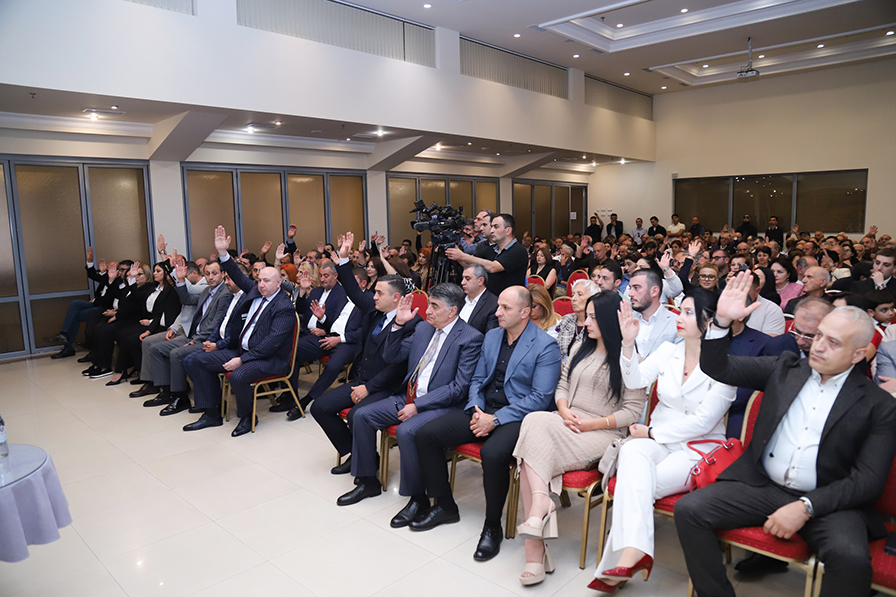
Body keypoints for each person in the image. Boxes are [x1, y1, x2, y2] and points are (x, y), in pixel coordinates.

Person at [675, 271, 896, 597]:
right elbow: (718, 367)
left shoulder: (879, 405)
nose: (818, 346)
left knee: (850, 559)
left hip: (830, 500)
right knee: (689, 510)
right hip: (764, 486)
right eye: (819, 336)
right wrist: (721, 322)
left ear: (858, 354)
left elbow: (868, 480)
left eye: (833, 343)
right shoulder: (785, 368)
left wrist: (806, 506)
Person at [588, 288, 736, 593]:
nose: (679, 317)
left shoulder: (726, 366)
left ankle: (626, 559)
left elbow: (703, 422)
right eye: (681, 310)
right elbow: (635, 380)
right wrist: (628, 344)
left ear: (710, 321)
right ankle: (633, 555)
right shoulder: (670, 351)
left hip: (696, 448)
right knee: (631, 453)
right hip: (657, 439)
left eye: (688, 312)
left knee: (634, 483)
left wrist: (653, 433)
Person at [411, 287, 562, 563]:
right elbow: (478, 379)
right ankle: (445, 506)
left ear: (525, 312)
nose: (497, 312)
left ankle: (492, 526)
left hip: (518, 417)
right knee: (426, 434)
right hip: (484, 410)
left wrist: (496, 420)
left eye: (505, 308)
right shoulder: (492, 336)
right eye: (499, 306)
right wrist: (477, 408)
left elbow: (540, 398)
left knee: (492, 454)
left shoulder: (545, 345)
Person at [513, 292, 645, 586]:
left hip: (602, 433)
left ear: (611, 320)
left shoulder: (630, 360)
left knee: (529, 457)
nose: (586, 322)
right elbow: (561, 385)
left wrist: (591, 423)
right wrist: (563, 410)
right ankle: (541, 507)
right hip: (568, 421)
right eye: (587, 316)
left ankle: (535, 550)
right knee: (533, 421)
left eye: (594, 317)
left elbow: (633, 411)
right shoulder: (580, 349)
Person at [337, 284, 483, 528]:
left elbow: (458, 388)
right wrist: (398, 325)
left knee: (407, 431)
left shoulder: (470, 338)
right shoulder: (424, 328)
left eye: (434, 306)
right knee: (361, 415)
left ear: (452, 311)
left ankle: (418, 499)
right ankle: (368, 481)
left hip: (442, 405)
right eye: (430, 304)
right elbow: (391, 357)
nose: (428, 311)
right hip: (409, 397)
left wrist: (418, 405)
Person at [312, 232, 422, 475]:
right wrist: (343, 258)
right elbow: (353, 291)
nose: (373, 297)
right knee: (319, 407)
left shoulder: (413, 324)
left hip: (386, 387)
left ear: (396, 298)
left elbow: (397, 367)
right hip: (362, 378)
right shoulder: (375, 310)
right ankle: (357, 452)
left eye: (379, 293)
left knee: (356, 415)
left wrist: (369, 388)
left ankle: (367, 468)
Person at [182, 226, 297, 437]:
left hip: (270, 358)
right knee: (196, 360)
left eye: (267, 281)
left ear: (279, 283)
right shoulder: (256, 291)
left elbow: (271, 343)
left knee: (238, 375)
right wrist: (223, 253)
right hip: (243, 351)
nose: (261, 285)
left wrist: (242, 360)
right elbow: (237, 274)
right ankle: (211, 413)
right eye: (259, 280)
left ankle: (247, 417)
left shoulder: (284, 307)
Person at [132, 260, 232, 415]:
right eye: (207, 274)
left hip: (208, 340)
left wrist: (194, 341)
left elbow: (215, 325)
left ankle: (180, 396)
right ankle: (167, 392)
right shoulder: (207, 291)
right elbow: (187, 300)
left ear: (223, 274)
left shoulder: (225, 293)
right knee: (156, 349)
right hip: (193, 335)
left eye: (215, 273)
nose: (211, 277)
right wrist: (180, 280)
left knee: (176, 354)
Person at [446, 214, 529, 297]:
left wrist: (463, 256)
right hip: (491, 300)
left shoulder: (518, 250)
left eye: (496, 227)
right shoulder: (491, 249)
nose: (492, 230)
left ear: (508, 230)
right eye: (491, 226)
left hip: (511, 300)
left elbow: (493, 267)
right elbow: (472, 267)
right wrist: (455, 253)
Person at [626, 268, 680, 358]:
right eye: (630, 288)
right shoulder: (627, 320)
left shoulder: (676, 323)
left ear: (654, 291)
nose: (630, 294)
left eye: (636, 288)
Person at [557, 279, 599, 358]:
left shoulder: (596, 324)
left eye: (580, 294)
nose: (573, 298)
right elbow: (557, 347)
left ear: (592, 299)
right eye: (573, 295)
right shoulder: (567, 319)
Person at [458, 264, 499, 334]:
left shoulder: (493, 304)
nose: (462, 282)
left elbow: (490, 336)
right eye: (463, 278)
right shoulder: (459, 298)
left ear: (480, 281)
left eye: (467, 279)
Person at [744, 271, 786, 336]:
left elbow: (770, 340)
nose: (738, 293)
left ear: (757, 291)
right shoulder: (727, 306)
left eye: (744, 290)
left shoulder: (772, 309)